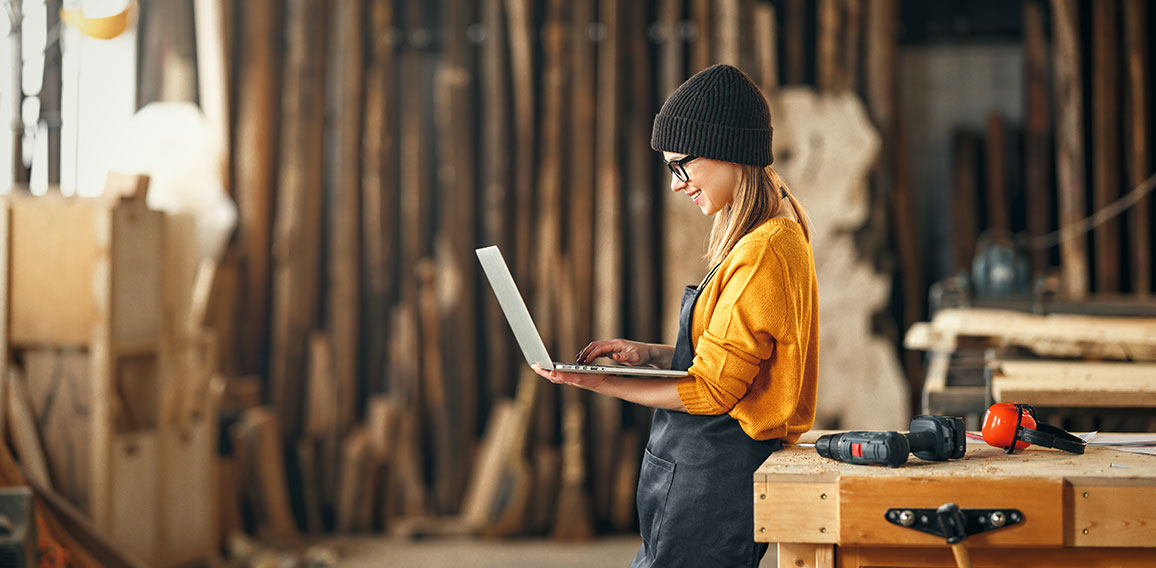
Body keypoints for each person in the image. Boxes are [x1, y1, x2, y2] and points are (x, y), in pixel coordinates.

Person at [532, 64, 819, 567]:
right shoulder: (770, 233)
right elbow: (740, 362)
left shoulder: (763, 251)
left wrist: (593, 382)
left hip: (711, 482)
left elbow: (712, 392)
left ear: (727, 149)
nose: (676, 185)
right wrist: (650, 355)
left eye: (680, 166)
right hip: (698, 476)